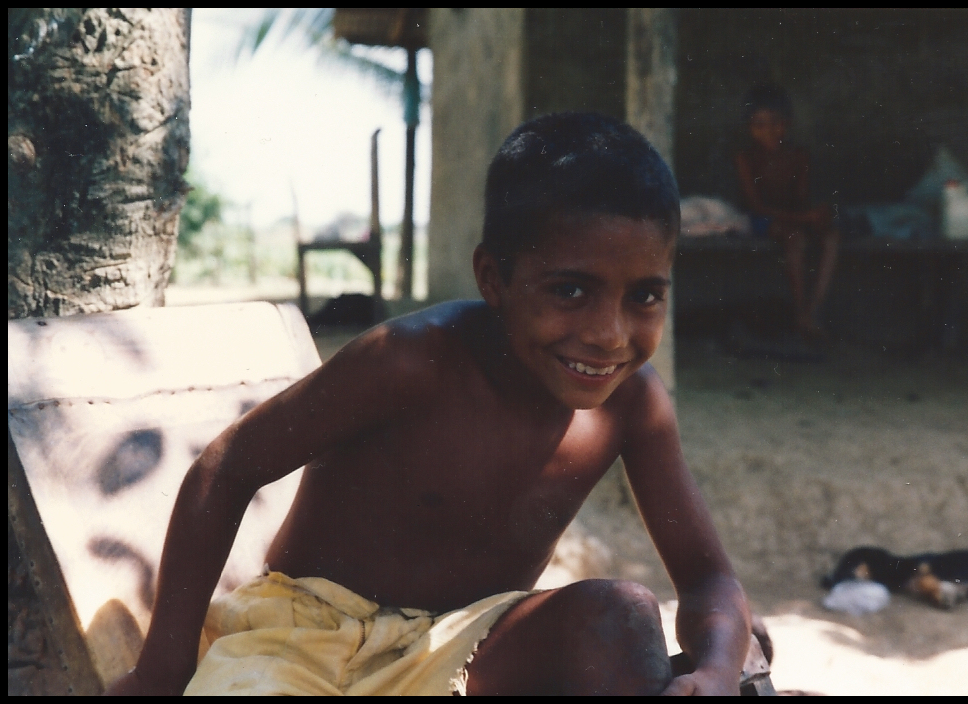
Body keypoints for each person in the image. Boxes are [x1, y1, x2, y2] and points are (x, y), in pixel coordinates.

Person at [106, 112, 750, 696]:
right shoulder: (409, 360)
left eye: (643, 296)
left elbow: (706, 579)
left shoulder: (633, 405)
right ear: (493, 278)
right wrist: (160, 672)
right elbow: (224, 469)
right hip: (303, 641)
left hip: (462, 650)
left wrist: (719, 669)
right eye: (572, 290)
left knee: (621, 617)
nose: (610, 333)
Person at [735, 85, 840, 340]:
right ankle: (800, 313)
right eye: (759, 125)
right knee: (795, 239)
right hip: (760, 220)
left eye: (775, 123)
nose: (768, 131)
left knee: (832, 237)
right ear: (749, 128)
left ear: (787, 124)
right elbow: (755, 206)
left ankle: (813, 311)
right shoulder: (746, 158)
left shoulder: (799, 156)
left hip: (792, 217)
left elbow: (800, 200)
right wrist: (804, 219)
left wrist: (815, 216)